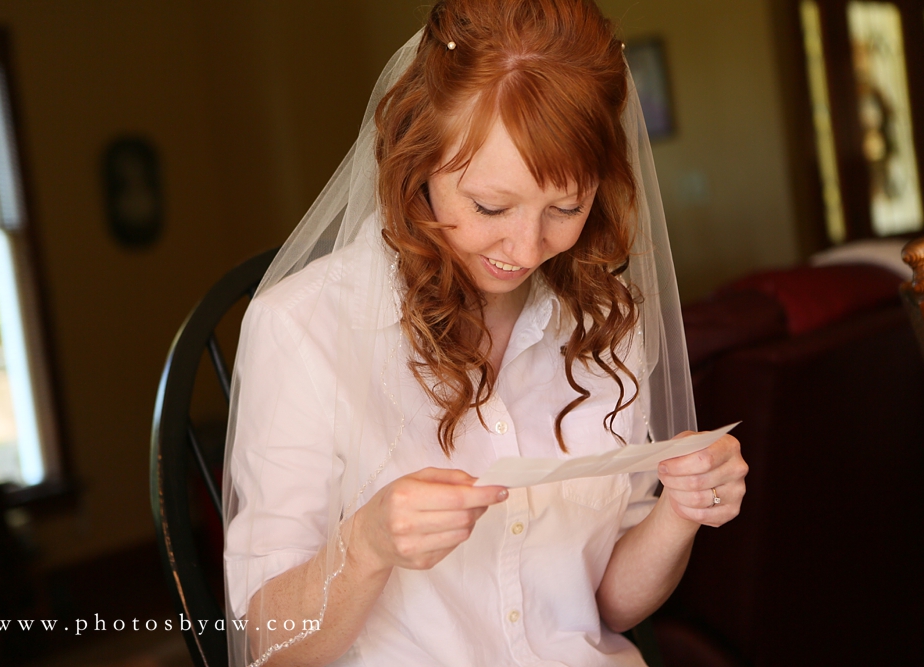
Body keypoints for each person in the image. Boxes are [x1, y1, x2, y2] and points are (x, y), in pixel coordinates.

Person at [221, 1, 749, 666]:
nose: (526, 248)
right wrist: (368, 546)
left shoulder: (603, 322)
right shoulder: (304, 330)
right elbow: (264, 643)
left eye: (566, 207)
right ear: (420, 160)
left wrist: (681, 507)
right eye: (490, 206)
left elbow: (605, 604)